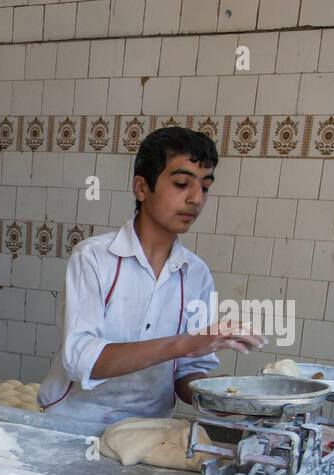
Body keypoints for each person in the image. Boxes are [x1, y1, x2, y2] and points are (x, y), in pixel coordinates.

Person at [37, 126, 264, 424]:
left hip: (147, 428)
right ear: (142, 188)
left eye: (205, 187)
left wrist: (234, 400)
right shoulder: (93, 257)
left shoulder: (195, 274)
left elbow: (186, 372)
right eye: (182, 183)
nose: (196, 199)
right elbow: (81, 359)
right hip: (74, 422)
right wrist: (184, 343)